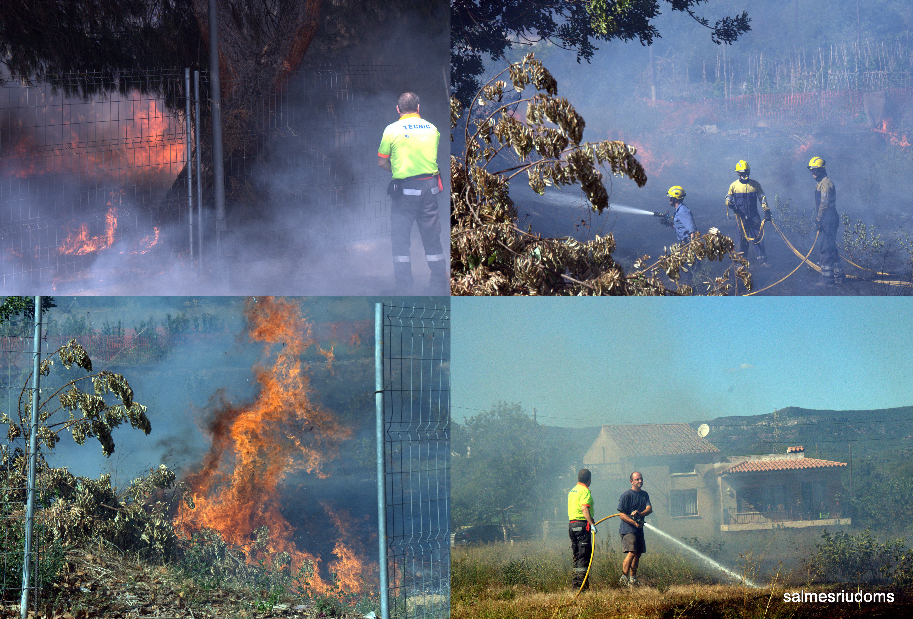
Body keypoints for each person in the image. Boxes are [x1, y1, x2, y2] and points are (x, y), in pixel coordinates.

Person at [377, 92, 446, 292]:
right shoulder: (432, 129)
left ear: (398, 109)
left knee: (400, 240)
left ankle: (405, 287)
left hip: (406, 191)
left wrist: (397, 169)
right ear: (418, 108)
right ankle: (438, 284)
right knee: (432, 238)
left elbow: (382, 162)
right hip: (430, 189)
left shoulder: (391, 130)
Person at [725, 160, 772, 266]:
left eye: (747, 172)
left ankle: (762, 261)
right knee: (741, 240)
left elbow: (762, 198)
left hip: (754, 216)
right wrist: (729, 203)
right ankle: (741, 263)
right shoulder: (734, 185)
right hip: (740, 217)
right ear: (738, 173)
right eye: (743, 173)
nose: (745, 175)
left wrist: (767, 211)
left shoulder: (755, 185)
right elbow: (728, 197)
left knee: (758, 238)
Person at [808, 156, 842, 285]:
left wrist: (819, 218)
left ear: (821, 169)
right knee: (831, 248)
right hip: (827, 219)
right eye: (811, 170)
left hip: (828, 220)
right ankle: (839, 276)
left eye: (814, 170)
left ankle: (828, 280)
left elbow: (824, 203)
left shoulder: (826, 184)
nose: (812, 172)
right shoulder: (821, 183)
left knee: (825, 249)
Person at [618, 471, 652, 587]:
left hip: (639, 529)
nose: (640, 481)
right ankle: (623, 578)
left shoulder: (644, 494)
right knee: (632, 552)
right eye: (637, 479)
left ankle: (633, 579)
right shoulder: (626, 495)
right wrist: (634, 523)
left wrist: (640, 513)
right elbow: (622, 515)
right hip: (628, 529)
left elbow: (649, 509)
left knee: (638, 553)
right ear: (631, 481)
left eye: (641, 479)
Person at [568, 468, 597, 590]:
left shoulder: (572, 490)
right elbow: (584, 509)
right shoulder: (585, 491)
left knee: (576, 555)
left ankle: (576, 583)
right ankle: (581, 586)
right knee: (583, 556)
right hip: (582, 526)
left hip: (572, 525)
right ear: (589, 479)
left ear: (578, 478)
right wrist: (592, 523)